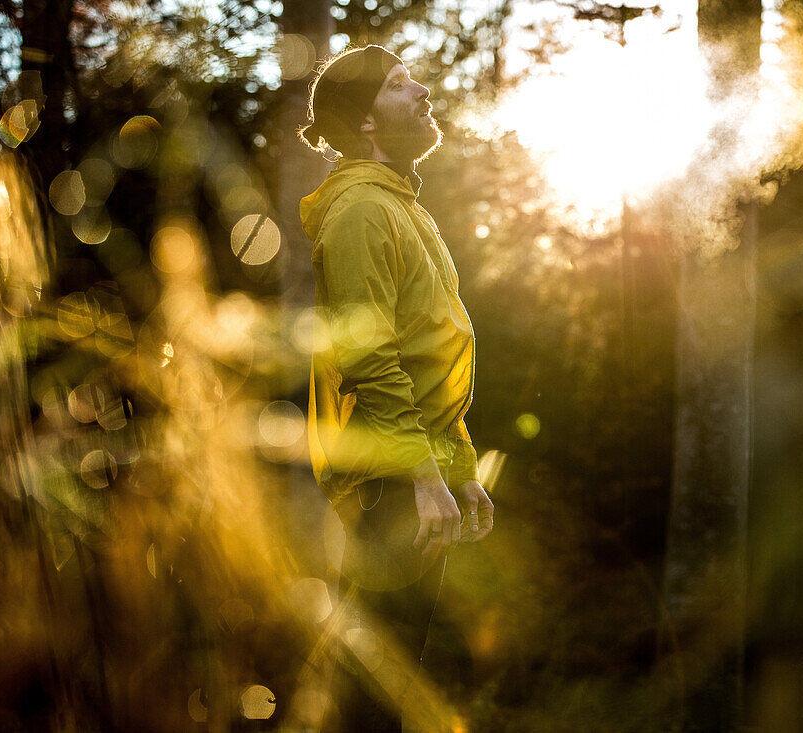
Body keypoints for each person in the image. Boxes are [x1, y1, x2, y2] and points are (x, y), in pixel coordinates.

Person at [297, 44, 494, 731]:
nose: (423, 93)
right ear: (368, 122)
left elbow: (427, 354)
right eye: (400, 85)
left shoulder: (402, 207)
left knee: (397, 672)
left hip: (414, 471)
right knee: (374, 691)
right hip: (389, 481)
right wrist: (420, 477)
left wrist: (458, 468)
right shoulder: (359, 213)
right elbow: (371, 359)